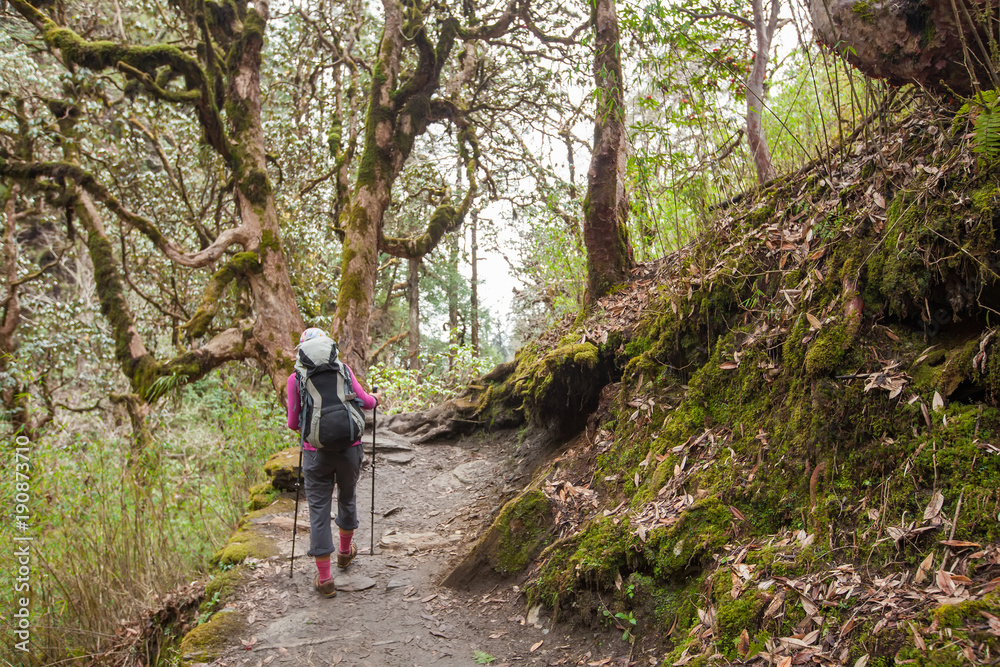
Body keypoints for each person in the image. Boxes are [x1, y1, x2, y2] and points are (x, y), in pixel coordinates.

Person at [286, 327, 381, 597]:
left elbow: (294, 423)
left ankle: (326, 579)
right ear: (329, 348)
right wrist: (376, 398)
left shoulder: (295, 379)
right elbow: (365, 403)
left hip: (315, 454)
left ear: (303, 352)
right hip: (350, 449)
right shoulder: (344, 370)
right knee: (347, 498)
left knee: (318, 511)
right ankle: (344, 553)